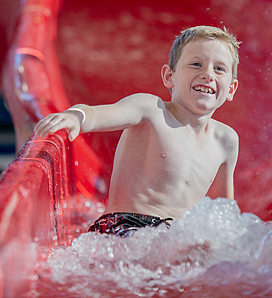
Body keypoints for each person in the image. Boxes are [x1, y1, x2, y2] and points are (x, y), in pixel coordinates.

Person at [34, 25, 240, 237]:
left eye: (219, 69)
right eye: (196, 64)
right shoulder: (151, 110)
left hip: (175, 238)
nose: (207, 74)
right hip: (125, 226)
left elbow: (224, 212)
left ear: (231, 89)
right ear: (169, 76)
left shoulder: (226, 140)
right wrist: (76, 116)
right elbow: (98, 115)